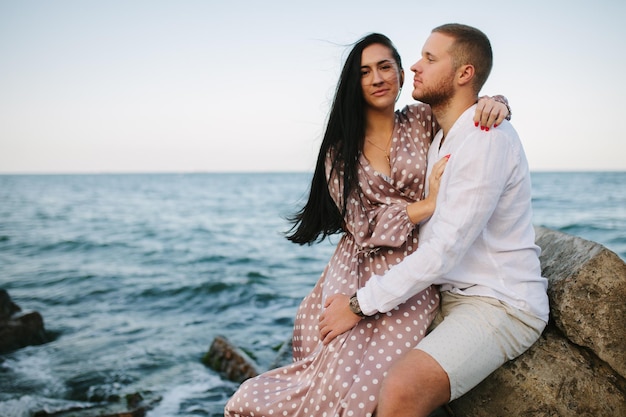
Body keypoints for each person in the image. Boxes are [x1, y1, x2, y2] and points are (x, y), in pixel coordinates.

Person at [224, 32, 510, 417]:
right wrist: (425, 206)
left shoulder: (422, 120)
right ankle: (254, 404)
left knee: (375, 374)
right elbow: (361, 227)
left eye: (384, 67)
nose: (376, 78)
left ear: (400, 75)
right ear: (353, 84)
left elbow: (463, 109)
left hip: (411, 262)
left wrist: (497, 102)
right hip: (356, 264)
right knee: (336, 364)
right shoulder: (339, 152)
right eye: (364, 72)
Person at [320, 24, 549, 417]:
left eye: (429, 58)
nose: (414, 66)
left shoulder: (484, 137)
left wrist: (358, 306)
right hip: (444, 291)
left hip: (498, 301)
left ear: (463, 74)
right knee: (342, 367)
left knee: (401, 388)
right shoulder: (441, 136)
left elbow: (442, 251)